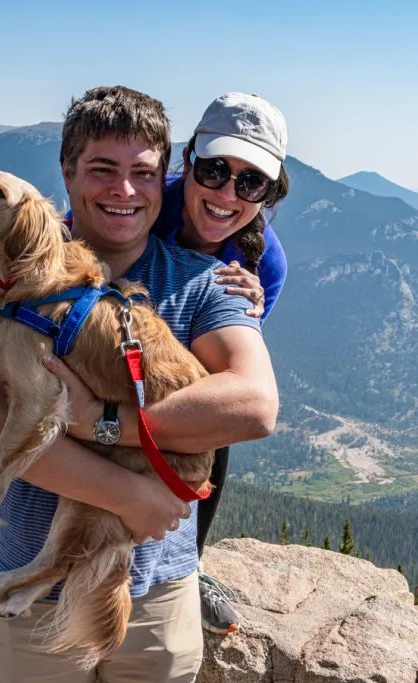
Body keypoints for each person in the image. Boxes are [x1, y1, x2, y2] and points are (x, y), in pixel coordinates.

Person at [0, 85, 278, 682]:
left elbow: (254, 405)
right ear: (68, 174)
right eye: (103, 170)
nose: (124, 190)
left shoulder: (206, 281)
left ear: (164, 182)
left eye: (143, 174)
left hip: (156, 592)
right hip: (32, 589)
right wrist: (129, 496)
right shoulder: (1, 278)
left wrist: (99, 421)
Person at [151, 91, 291, 636]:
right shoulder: (140, 200)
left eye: (250, 182)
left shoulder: (264, 264)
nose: (227, 194)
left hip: (171, 383)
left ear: (269, 192)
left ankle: (189, 564)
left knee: (217, 413)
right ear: (187, 161)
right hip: (98, 360)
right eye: (213, 170)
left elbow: (226, 378)